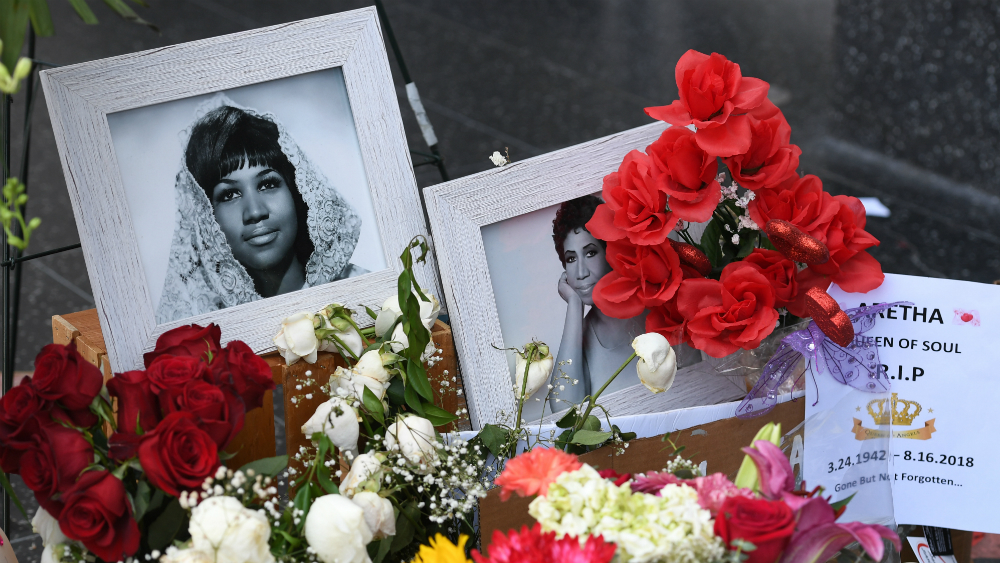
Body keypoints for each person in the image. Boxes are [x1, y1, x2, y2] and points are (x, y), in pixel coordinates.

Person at [156, 95, 366, 323]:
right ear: (206, 220)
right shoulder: (203, 340)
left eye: (268, 184)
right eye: (229, 195)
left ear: (297, 191)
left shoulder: (366, 296)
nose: (255, 212)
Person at [548, 195, 646, 410]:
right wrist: (574, 304)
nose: (581, 273)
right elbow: (565, 412)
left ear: (611, 250)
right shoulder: (578, 338)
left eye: (590, 252)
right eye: (571, 259)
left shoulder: (653, 309)